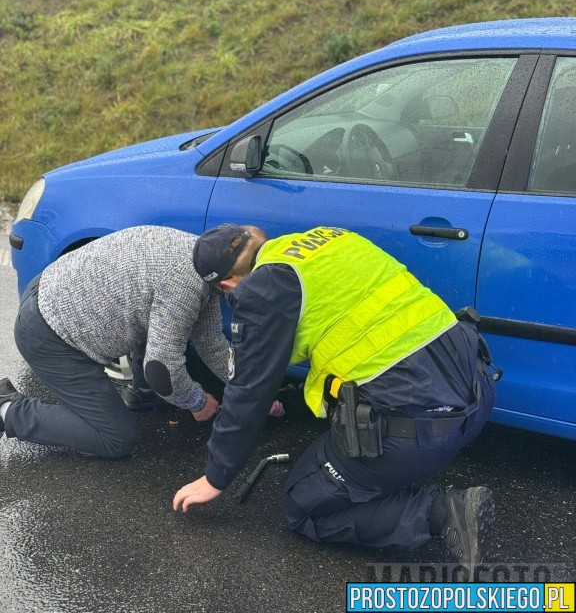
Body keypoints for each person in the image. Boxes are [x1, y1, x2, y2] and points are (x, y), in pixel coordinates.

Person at [173, 224, 499, 572]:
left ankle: (444, 513)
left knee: (303, 504)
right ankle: (388, 475)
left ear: (226, 286)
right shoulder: (332, 239)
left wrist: (217, 475)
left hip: (418, 430)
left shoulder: (261, 289)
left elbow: (247, 392)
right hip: (477, 391)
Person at [0, 225, 230, 458]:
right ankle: (8, 410)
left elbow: (210, 341)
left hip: (51, 291)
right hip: (52, 338)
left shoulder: (204, 259)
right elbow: (163, 367)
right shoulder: (184, 283)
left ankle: (144, 393)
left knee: (164, 318)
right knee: (116, 438)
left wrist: (253, 388)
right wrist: (197, 401)